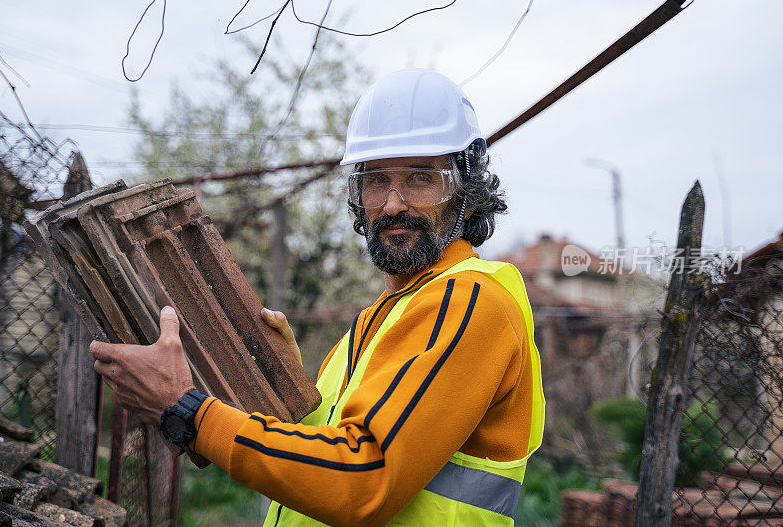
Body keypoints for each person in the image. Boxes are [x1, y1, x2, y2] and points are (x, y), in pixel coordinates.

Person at [90, 68, 545, 526]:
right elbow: (330, 456)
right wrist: (290, 383)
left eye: (422, 179)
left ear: (464, 190)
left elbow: (359, 483)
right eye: (375, 180)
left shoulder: (469, 302)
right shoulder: (379, 322)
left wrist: (187, 411)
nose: (392, 203)